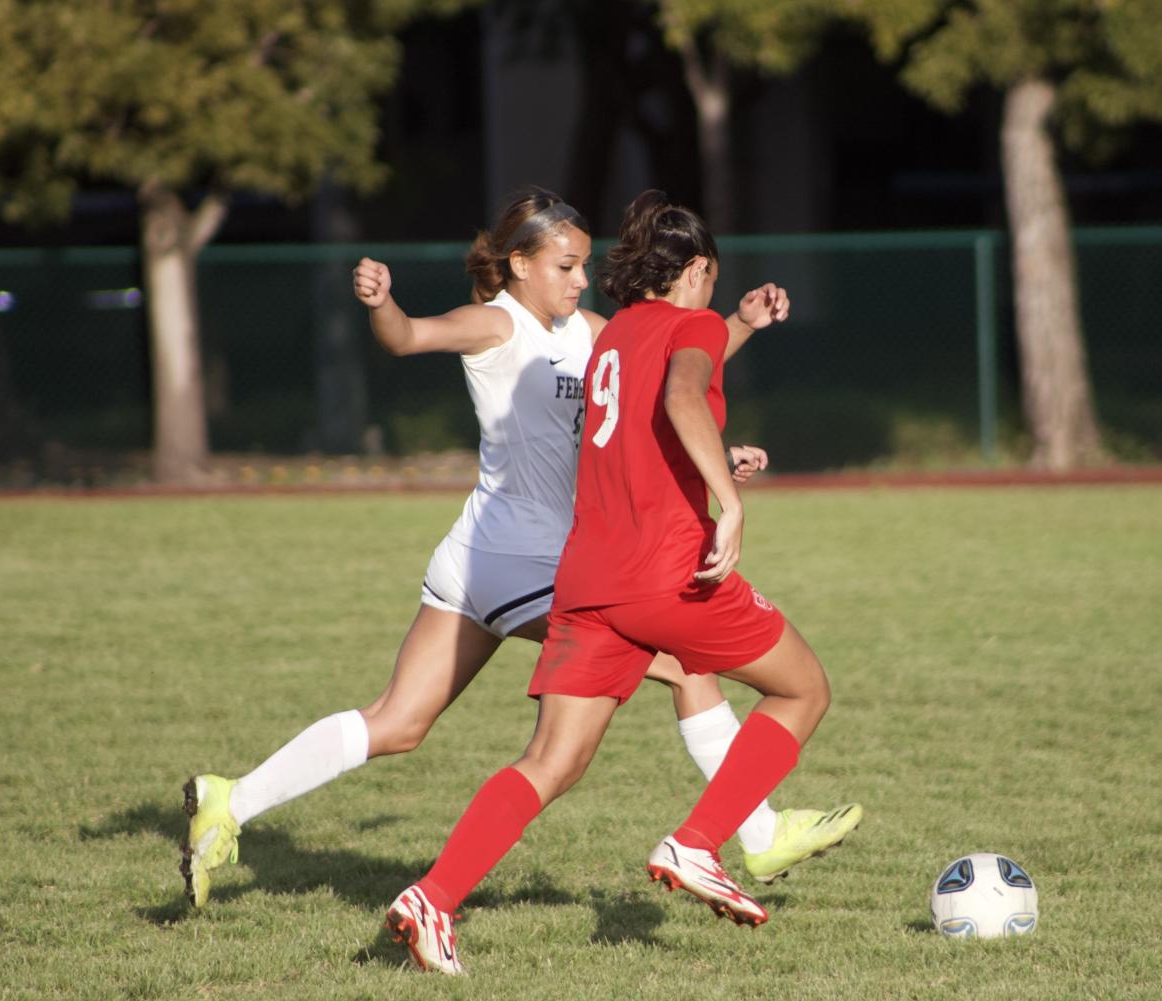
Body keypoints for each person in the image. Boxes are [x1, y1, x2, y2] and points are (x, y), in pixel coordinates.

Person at [180, 187, 860, 909]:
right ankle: (749, 830)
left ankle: (231, 798)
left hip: (479, 554)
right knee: (685, 658)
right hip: (520, 552)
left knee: (399, 722)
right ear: (519, 264)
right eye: (565, 265)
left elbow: (657, 385)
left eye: (584, 266)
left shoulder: (593, 330)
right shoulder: (496, 324)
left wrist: (735, 342)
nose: (578, 278)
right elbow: (408, 338)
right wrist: (382, 303)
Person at [384, 190, 845, 975]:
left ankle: (432, 896)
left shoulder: (612, 336)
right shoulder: (688, 326)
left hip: (585, 580)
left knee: (552, 761)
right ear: (697, 268)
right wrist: (726, 501)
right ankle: (699, 842)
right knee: (802, 690)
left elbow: (656, 398)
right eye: (710, 278)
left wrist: (738, 328)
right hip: (667, 573)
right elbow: (681, 391)